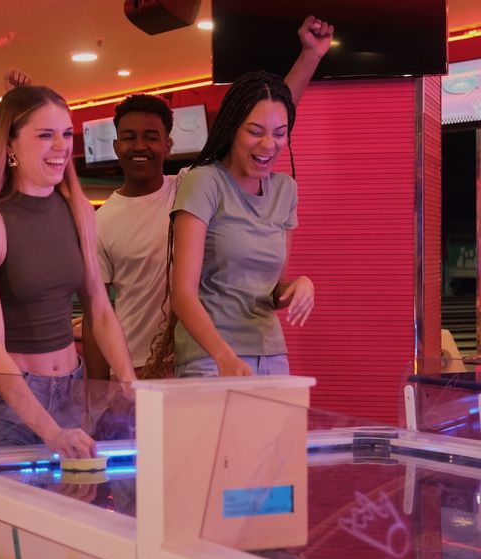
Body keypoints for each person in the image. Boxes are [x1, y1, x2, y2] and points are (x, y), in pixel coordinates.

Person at [85, 16, 334, 379]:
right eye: (130, 137)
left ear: (168, 145)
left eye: (152, 137)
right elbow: (99, 310)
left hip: (241, 353)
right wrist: (98, 391)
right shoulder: (194, 185)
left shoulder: (193, 182)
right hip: (163, 359)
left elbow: (270, 113)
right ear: (115, 145)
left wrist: (309, 57)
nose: (141, 147)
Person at [0, 85, 134, 459]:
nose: (61, 146)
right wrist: (51, 432)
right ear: (9, 145)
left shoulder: (78, 208)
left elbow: (99, 307)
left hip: (69, 391)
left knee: (64, 512)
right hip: (5, 405)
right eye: (45, 135)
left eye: (66, 134)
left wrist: (129, 383)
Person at [147, 67, 319, 378]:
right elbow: (183, 293)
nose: (269, 144)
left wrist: (298, 285)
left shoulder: (285, 190)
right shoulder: (204, 182)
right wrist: (224, 357)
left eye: (279, 133)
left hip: (270, 355)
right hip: (209, 358)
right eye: (255, 131)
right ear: (232, 129)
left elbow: (270, 291)